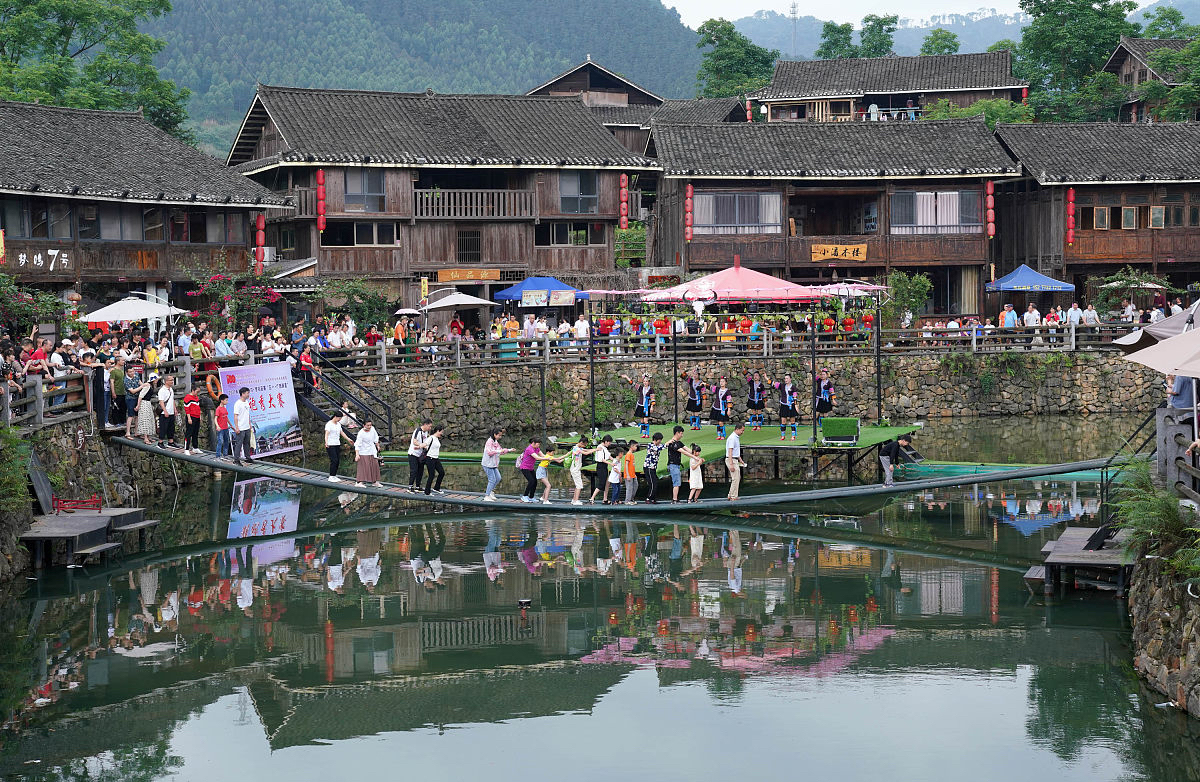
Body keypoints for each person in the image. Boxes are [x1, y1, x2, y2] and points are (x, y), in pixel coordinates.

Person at [481, 427, 514, 501]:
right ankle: (487, 496)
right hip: (487, 464)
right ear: (495, 434)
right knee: (492, 479)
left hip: (493, 464)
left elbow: (501, 450)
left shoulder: (495, 441)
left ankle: (490, 492)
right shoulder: (489, 442)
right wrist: (498, 451)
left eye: (501, 435)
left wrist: (509, 450)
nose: (500, 437)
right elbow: (489, 452)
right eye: (499, 435)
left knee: (498, 478)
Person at [620, 372, 655, 438]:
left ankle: (647, 434)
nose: (645, 383)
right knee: (642, 421)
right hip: (640, 405)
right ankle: (644, 433)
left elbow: (652, 398)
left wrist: (652, 406)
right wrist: (626, 377)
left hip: (647, 406)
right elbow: (632, 384)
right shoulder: (641, 388)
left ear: (648, 382)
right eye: (644, 381)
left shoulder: (651, 389)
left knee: (645, 420)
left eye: (646, 381)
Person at [769, 372, 800, 441]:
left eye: (787, 378)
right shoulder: (782, 386)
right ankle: (783, 436)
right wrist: (765, 377)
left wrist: (796, 406)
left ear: (790, 379)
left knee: (792, 421)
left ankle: (793, 436)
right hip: (784, 405)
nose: (785, 380)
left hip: (791, 405)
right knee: (783, 421)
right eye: (785, 378)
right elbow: (773, 383)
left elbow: (795, 397)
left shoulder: (793, 387)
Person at [325, 410, 353, 482]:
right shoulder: (329, 424)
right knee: (334, 460)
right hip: (330, 444)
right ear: (335, 417)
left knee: (337, 460)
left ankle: (334, 475)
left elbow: (342, 432)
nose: (339, 420)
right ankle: (331, 476)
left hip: (337, 443)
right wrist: (326, 442)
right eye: (339, 418)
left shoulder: (338, 424)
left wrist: (348, 439)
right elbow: (327, 434)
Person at [406, 419, 432, 491]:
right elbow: (414, 441)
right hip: (413, 454)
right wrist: (421, 445)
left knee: (420, 470)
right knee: (414, 470)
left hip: (420, 455)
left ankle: (418, 486)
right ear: (425, 424)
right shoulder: (418, 431)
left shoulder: (426, 432)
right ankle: (410, 486)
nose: (430, 428)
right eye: (429, 426)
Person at [568, 436, 595, 506]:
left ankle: (574, 500)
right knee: (579, 485)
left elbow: (586, 451)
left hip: (576, 469)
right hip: (575, 470)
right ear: (581, 443)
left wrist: (595, 449)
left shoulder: (579, 448)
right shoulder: (576, 448)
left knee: (578, 485)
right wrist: (596, 450)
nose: (585, 446)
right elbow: (585, 453)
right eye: (585, 445)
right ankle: (575, 501)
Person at [517, 437, 546, 503]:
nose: (539, 446)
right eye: (538, 444)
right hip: (524, 467)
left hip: (530, 468)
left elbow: (542, 455)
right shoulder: (529, 449)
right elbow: (537, 457)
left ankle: (531, 497)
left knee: (535, 481)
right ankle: (524, 496)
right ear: (533, 443)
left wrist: (551, 458)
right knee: (531, 481)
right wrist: (548, 459)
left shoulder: (537, 448)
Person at [231, 386, 254, 464]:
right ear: (243, 394)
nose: (248, 395)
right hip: (240, 428)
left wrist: (250, 424)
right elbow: (235, 416)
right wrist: (236, 427)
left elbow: (247, 414)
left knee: (247, 443)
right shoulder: (238, 404)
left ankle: (248, 457)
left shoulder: (246, 402)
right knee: (239, 444)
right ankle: (236, 460)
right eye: (247, 393)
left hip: (247, 426)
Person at [589, 435, 614, 504]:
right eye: (609, 442)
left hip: (604, 466)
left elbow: (608, 456)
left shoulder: (605, 448)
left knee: (607, 483)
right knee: (602, 483)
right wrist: (610, 463)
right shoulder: (600, 447)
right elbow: (602, 459)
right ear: (606, 441)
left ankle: (605, 499)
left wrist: (615, 460)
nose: (610, 444)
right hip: (601, 466)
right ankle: (592, 498)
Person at [424, 424, 447, 495]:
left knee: (442, 472)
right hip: (430, 458)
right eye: (441, 432)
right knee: (432, 475)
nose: (442, 433)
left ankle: (436, 488)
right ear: (437, 431)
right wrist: (419, 446)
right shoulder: (431, 438)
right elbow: (424, 444)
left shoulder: (436, 438)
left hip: (436, 458)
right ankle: (427, 492)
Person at [666, 426, 686, 504]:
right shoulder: (672, 443)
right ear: (677, 433)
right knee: (676, 482)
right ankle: (674, 500)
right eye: (681, 433)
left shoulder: (679, 443)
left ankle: (675, 499)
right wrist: (694, 457)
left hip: (676, 465)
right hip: (673, 465)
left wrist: (695, 453)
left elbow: (687, 450)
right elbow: (684, 452)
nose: (682, 435)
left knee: (677, 482)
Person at [725, 422, 746, 501]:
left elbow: (736, 451)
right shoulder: (732, 438)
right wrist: (731, 464)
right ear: (737, 429)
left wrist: (740, 460)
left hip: (734, 459)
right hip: (731, 459)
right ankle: (733, 496)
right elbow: (730, 451)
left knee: (736, 478)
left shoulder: (736, 437)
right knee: (735, 478)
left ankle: (731, 495)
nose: (742, 432)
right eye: (742, 430)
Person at [643, 431, 664, 504]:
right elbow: (659, 448)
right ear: (656, 439)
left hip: (653, 468)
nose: (660, 441)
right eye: (660, 440)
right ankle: (648, 498)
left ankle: (653, 498)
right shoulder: (650, 445)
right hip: (648, 467)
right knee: (652, 483)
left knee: (655, 483)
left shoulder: (657, 445)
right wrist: (668, 443)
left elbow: (661, 447)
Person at [157, 375, 177, 448]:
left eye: (172, 380)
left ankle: (170, 441)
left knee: (171, 427)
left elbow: (172, 399)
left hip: (171, 411)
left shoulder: (171, 389)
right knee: (163, 427)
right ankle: (160, 442)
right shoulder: (162, 390)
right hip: (164, 412)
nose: (172, 381)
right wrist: (165, 411)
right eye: (170, 380)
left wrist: (175, 409)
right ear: (166, 381)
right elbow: (161, 401)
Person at [181, 386, 202, 454]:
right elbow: (187, 409)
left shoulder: (196, 397)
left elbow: (198, 407)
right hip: (191, 417)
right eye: (196, 392)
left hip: (197, 416)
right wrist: (189, 418)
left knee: (195, 433)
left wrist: (200, 416)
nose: (197, 393)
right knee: (189, 433)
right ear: (193, 390)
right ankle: (186, 449)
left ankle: (195, 447)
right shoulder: (187, 397)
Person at [621, 440, 639, 505]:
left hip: (633, 474)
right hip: (629, 475)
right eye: (635, 446)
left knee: (635, 486)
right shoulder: (628, 454)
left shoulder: (632, 454)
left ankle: (631, 499)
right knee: (629, 488)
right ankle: (627, 500)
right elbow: (626, 464)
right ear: (632, 446)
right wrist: (628, 475)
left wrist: (634, 474)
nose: (636, 447)